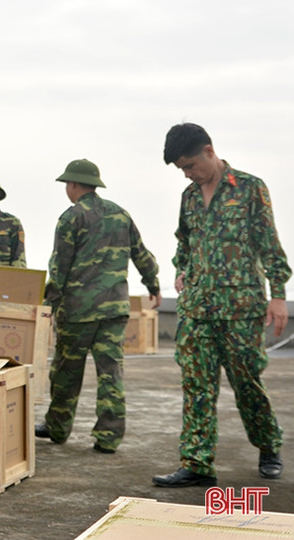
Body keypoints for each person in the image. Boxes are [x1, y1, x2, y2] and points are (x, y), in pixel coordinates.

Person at [152, 123, 291, 487]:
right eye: (182, 169)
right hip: (198, 309)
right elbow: (184, 242)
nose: (187, 174)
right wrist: (182, 269)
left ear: (209, 151)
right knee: (197, 385)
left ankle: (268, 445)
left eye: (190, 166)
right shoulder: (190, 197)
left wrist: (278, 294)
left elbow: (269, 244)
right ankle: (196, 463)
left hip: (240, 308)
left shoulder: (250, 188)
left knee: (247, 383)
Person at [34, 159, 161, 453]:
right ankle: (108, 437)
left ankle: (57, 427)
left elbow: (60, 268)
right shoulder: (120, 214)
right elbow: (141, 254)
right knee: (111, 373)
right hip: (114, 310)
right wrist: (153, 285)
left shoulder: (71, 217)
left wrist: (47, 305)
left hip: (78, 312)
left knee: (67, 372)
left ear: (74, 185)